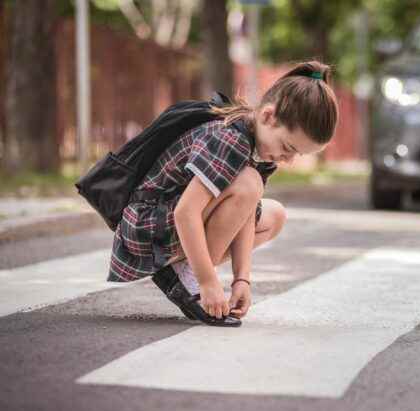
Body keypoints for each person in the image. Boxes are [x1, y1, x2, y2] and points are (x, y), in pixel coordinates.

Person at [106, 60, 339, 326]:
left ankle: (188, 268)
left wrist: (242, 279)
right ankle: (187, 275)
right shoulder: (231, 139)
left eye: (297, 153)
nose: (288, 159)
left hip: (167, 225)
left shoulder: (260, 147)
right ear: (268, 116)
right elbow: (186, 212)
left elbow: (245, 213)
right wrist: (208, 282)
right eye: (288, 147)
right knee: (250, 183)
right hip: (147, 227)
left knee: (275, 215)